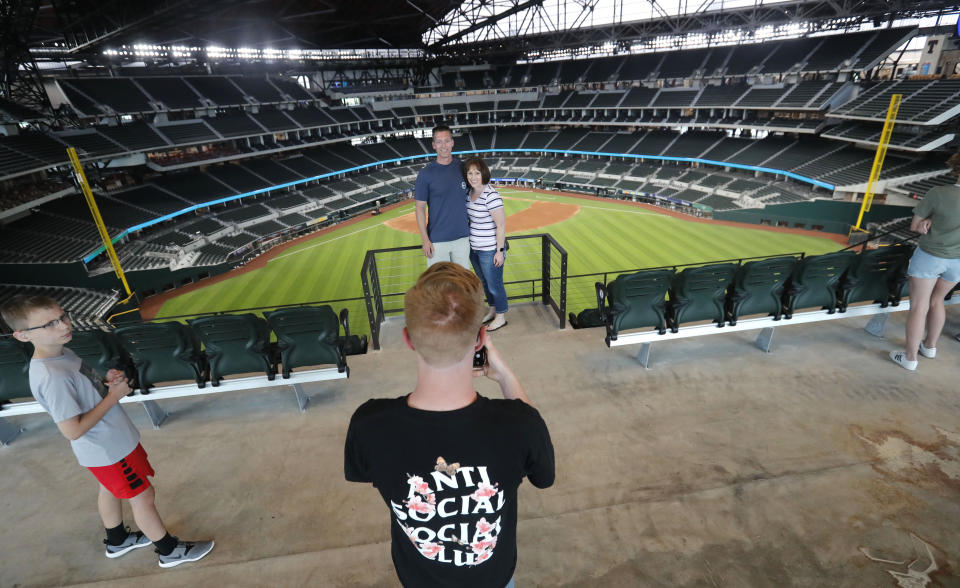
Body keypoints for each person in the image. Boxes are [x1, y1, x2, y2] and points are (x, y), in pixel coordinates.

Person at [344, 262, 554, 588]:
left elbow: (365, 472)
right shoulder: (519, 425)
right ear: (481, 338)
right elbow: (543, 473)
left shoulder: (369, 425)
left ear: (408, 339)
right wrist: (505, 376)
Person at [0, 295, 215, 568]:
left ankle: (117, 541)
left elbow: (84, 397)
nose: (64, 325)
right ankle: (169, 551)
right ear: (21, 335)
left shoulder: (61, 353)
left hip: (109, 444)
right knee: (143, 496)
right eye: (49, 324)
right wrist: (113, 397)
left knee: (109, 488)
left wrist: (105, 385)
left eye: (63, 316)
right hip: (108, 449)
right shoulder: (51, 377)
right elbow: (72, 430)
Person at [890, 150, 960, 370]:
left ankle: (910, 358)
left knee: (919, 306)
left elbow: (915, 227)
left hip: (931, 256)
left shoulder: (938, 192)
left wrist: (930, 218)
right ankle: (930, 346)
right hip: (958, 262)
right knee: (938, 301)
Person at [415, 125, 471, 269]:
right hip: (437, 242)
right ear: (434, 145)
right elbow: (420, 209)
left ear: (452, 142)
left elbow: (477, 195)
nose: (443, 145)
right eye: (439, 142)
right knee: (440, 287)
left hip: (463, 239)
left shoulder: (464, 168)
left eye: (447, 141)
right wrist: (425, 240)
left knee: (462, 285)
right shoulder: (425, 174)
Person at [464, 156, 509, 331]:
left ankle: (501, 316)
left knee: (495, 285)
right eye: (470, 173)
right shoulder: (470, 194)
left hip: (490, 250)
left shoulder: (491, 196)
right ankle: (492, 310)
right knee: (484, 283)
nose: (473, 176)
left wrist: (499, 251)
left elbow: (501, 225)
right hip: (474, 249)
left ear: (483, 173)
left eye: (476, 172)